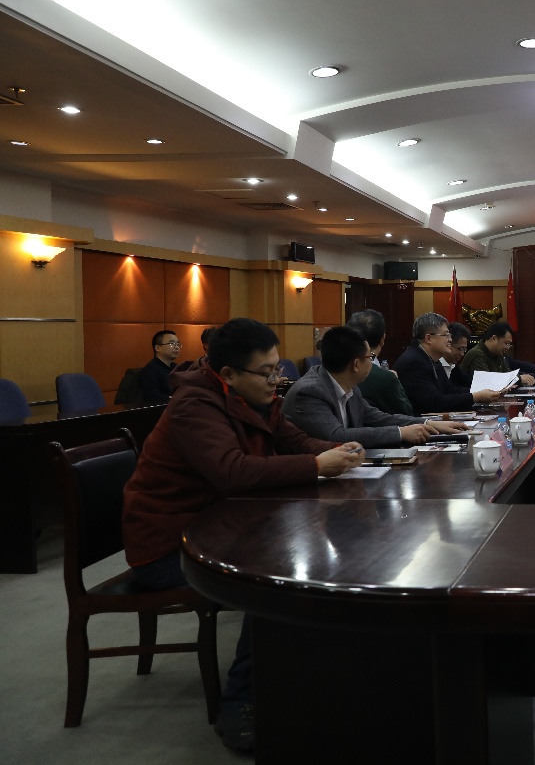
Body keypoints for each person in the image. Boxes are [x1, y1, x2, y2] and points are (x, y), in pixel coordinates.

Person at [121, 318, 364, 754]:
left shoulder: (257, 398)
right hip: (170, 545)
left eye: (278, 369)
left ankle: (311, 672)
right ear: (228, 374)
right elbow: (231, 471)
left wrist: (334, 451)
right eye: (266, 372)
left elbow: (295, 441)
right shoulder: (194, 405)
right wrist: (315, 466)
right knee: (274, 580)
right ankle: (241, 702)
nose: (276, 380)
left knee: (318, 557)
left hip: (227, 527)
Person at [282, 326, 467, 446]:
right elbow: (336, 436)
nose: (372, 362)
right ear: (356, 364)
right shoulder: (309, 391)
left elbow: (378, 418)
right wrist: (400, 433)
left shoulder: (349, 385)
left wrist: (428, 424)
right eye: (370, 358)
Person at [395, 312, 504, 413]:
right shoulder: (414, 362)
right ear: (429, 338)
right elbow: (434, 402)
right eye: (446, 335)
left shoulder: (431, 359)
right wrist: (475, 397)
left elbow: (449, 389)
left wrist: (484, 391)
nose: (450, 340)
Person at [347, 309, 415, 415]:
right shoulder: (384, 378)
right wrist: (394, 379)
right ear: (383, 339)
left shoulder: (340, 367)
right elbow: (406, 412)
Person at [461, 322, 535, 389]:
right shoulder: (477, 355)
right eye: (506, 343)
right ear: (494, 339)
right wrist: (519, 378)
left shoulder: (498, 354)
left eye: (509, 344)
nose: (508, 348)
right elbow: (486, 383)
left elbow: (508, 374)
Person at [138, 329, 181, 403]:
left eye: (178, 344)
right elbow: (152, 398)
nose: (177, 347)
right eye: (172, 343)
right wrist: (176, 398)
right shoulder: (150, 370)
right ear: (157, 348)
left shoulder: (177, 367)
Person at [445, 322, 473, 388]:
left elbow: (470, 384)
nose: (462, 354)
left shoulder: (454, 367)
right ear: (448, 344)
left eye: (464, 349)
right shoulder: (434, 366)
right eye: (460, 349)